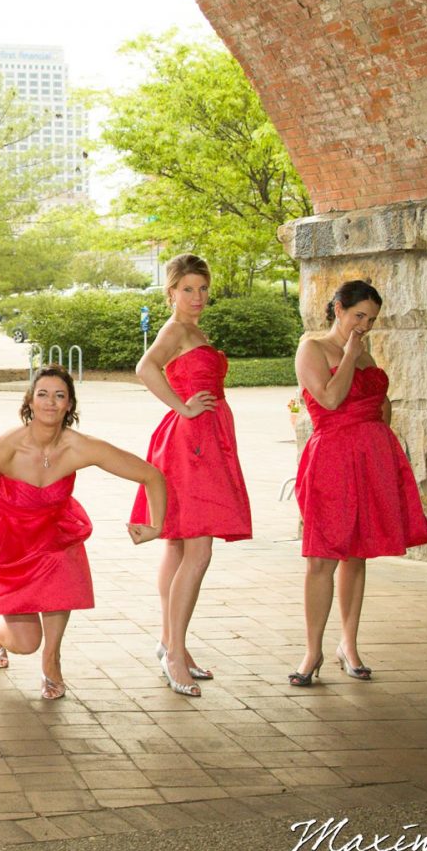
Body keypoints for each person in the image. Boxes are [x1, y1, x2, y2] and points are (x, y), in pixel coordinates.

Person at [0, 366, 166, 700]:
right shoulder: (6, 448)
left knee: (60, 582)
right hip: (9, 541)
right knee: (25, 643)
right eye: (43, 394)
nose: (51, 402)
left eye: (60, 396)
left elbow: (151, 475)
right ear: (30, 402)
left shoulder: (81, 447)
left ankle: (52, 660)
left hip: (54, 532)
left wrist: (156, 526)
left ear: (69, 405)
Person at [289, 281, 427, 686]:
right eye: (359, 316)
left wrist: (378, 450)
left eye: (371, 319)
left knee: (357, 554)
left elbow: (380, 406)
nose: (365, 326)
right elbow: (330, 400)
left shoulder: (366, 354)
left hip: (369, 461)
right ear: (338, 308)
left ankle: (348, 645)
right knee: (322, 557)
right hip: (331, 462)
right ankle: (312, 651)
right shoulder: (313, 348)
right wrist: (351, 356)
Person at [132, 254, 251, 697]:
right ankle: (176, 654)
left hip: (204, 440)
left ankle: (169, 643)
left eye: (203, 288)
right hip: (191, 441)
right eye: (188, 289)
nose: (197, 297)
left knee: (181, 547)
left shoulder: (197, 331)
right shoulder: (176, 329)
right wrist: (182, 407)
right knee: (198, 550)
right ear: (171, 292)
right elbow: (145, 367)